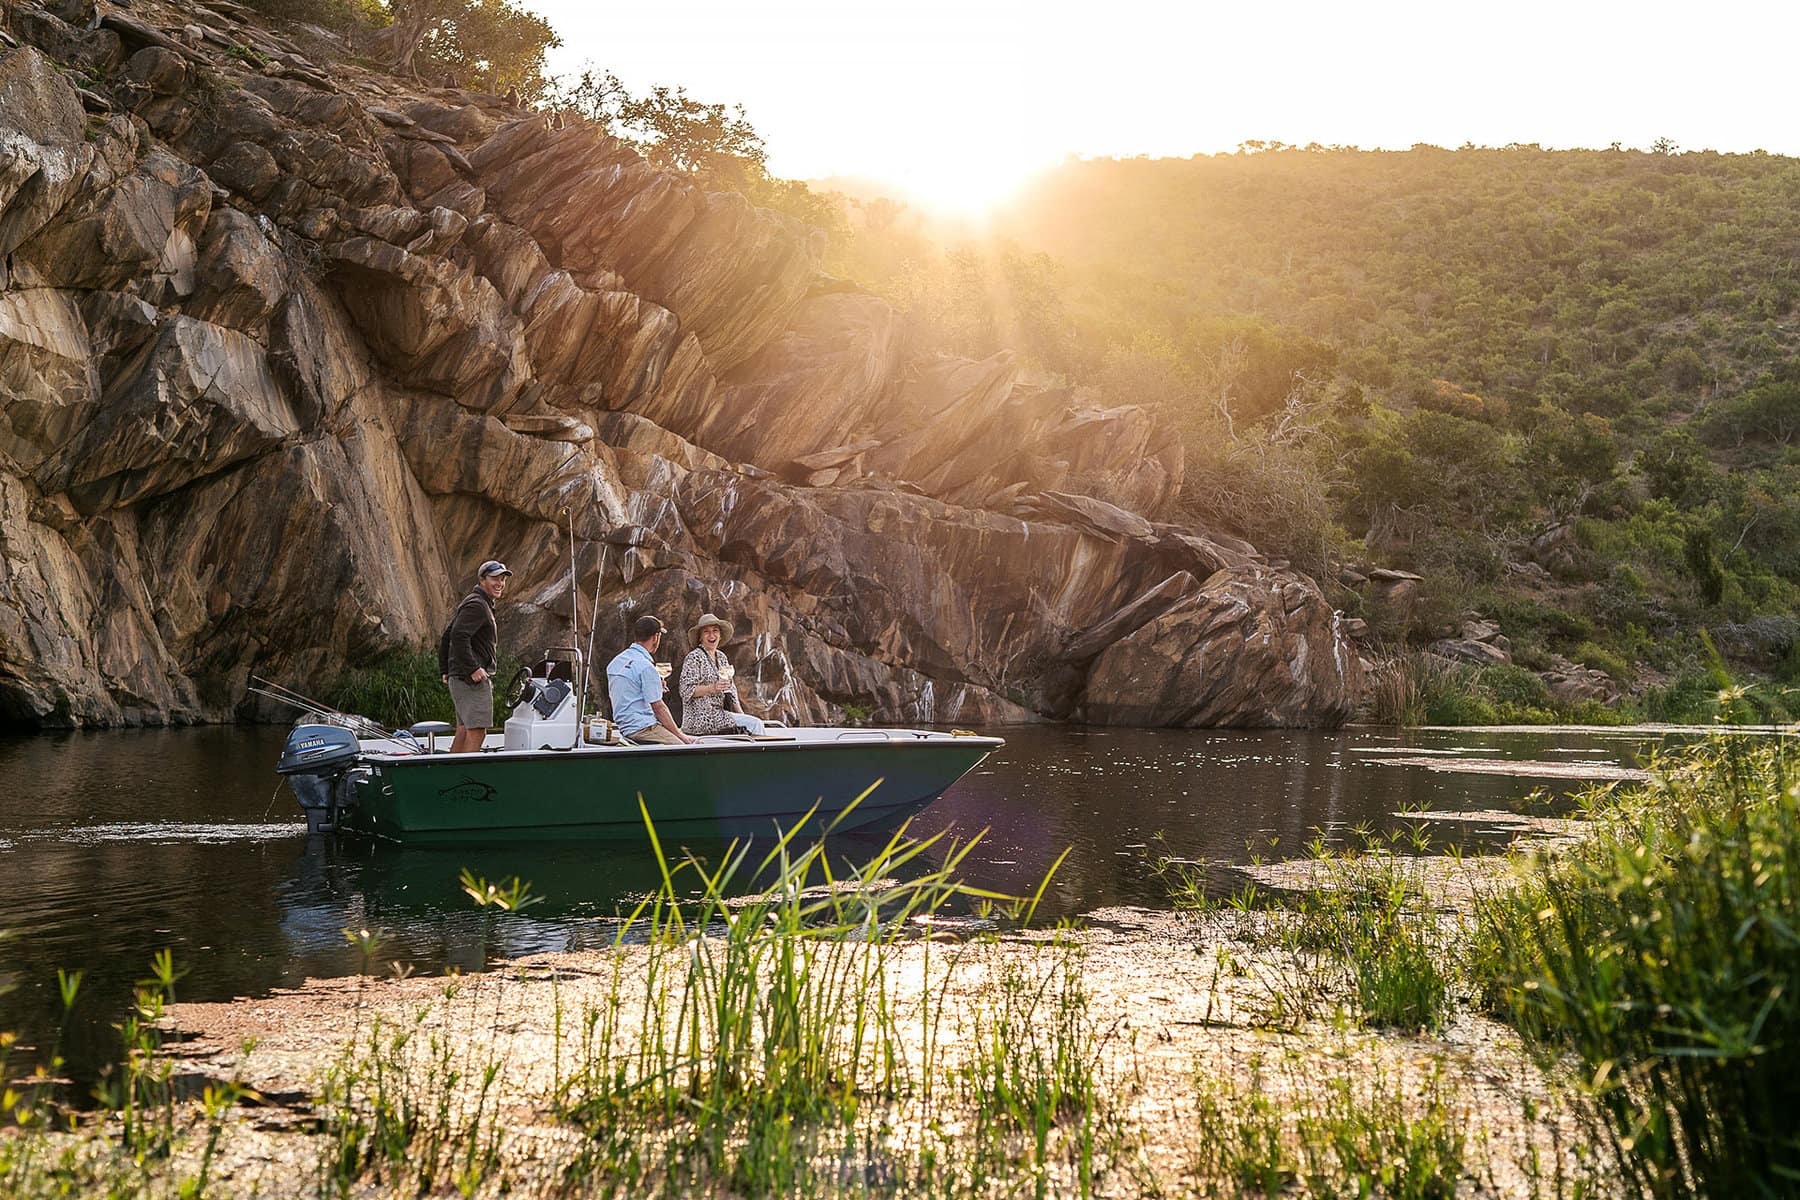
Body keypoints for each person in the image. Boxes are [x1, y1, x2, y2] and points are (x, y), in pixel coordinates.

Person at [438, 560, 511, 754]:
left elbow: (448, 634)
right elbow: (457, 635)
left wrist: (445, 669)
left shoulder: (476, 602)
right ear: (482, 579)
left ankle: (451, 776)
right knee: (477, 731)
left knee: (464, 730)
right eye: (495, 578)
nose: (500, 583)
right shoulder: (477, 605)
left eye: (503, 579)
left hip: (461, 676)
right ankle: (467, 778)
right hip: (470, 679)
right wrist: (473, 668)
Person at [605, 615, 697, 746]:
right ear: (656, 637)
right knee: (684, 749)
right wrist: (680, 735)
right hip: (643, 728)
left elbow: (629, 691)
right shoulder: (646, 667)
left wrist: (655, 686)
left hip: (624, 728)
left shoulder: (615, 663)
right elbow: (659, 708)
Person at [679, 613, 767, 737]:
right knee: (756, 724)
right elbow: (685, 690)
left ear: (720, 635)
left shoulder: (721, 657)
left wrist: (741, 714)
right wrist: (712, 688)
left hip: (720, 715)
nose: (711, 635)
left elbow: (731, 689)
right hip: (699, 719)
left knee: (749, 722)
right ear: (700, 637)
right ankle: (760, 755)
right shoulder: (694, 657)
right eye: (706, 632)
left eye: (715, 631)